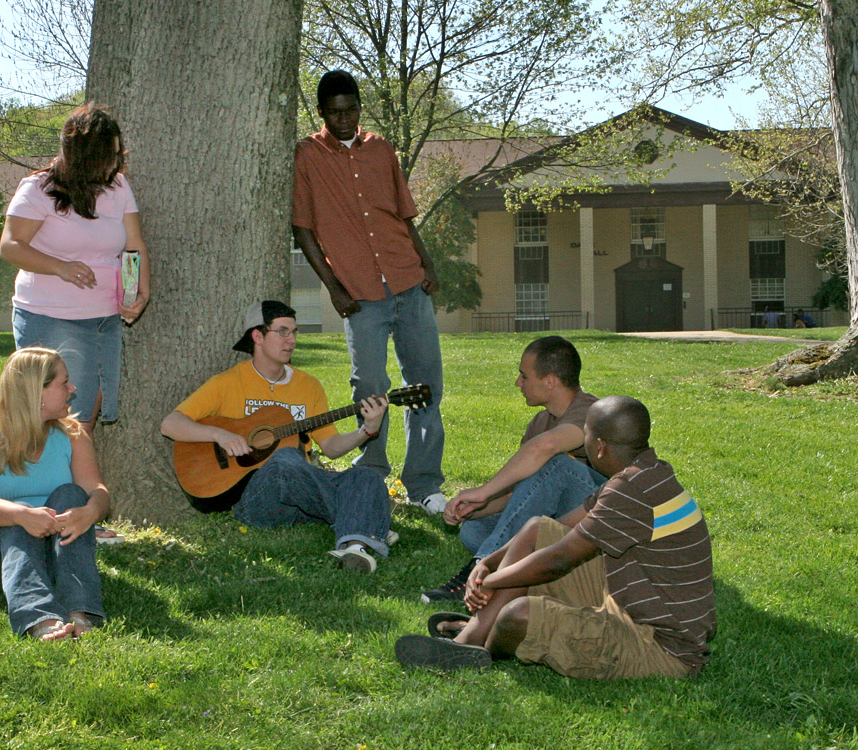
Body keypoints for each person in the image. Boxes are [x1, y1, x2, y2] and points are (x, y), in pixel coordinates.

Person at [395, 396, 716, 677]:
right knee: (537, 528)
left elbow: (558, 560)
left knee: (517, 614)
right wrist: (487, 565)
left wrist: (492, 582)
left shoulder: (631, 491)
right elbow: (557, 531)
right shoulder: (644, 472)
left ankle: (477, 646)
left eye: (586, 435)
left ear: (600, 446)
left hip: (658, 646)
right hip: (626, 599)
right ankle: (473, 636)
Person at [291, 69, 447, 516]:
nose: (344, 119)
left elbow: (404, 214)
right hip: (359, 293)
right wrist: (335, 289)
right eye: (335, 112)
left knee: (426, 385)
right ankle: (372, 472)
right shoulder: (307, 155)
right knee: (371, 384)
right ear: (322, 113)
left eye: (351, 110)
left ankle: (423, 484)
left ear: (359, 108)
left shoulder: (381, 148)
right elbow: (303, 230)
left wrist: (428, 265)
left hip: (407, 280)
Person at [161, 300, 394, 572]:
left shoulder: (308, 386)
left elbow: (330, 447)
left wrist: (367, 429)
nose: (292, 340)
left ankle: (355, 548)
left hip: (304, 501)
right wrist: (219, 435)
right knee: (285, 459)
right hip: (258, 501)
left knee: (366, 475)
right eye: (283, 331)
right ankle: (364, 515)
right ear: (257, 336)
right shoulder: (227, 383)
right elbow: (170, 424)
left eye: (294, 332)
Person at [0, 102, 150, 436]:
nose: (113, 164)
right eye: (106, 156)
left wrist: (141, 291)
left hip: (103, 320)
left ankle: (73, 485)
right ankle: (41, 483)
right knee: (52, 415)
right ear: (80, 155)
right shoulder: (38, 189)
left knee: (84, 420)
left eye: (116, 154)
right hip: (50, 318)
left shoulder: (119, 187)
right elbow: (10, 245)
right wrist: (60, 267)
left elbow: (135, 244)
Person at [420, 336, 604, 603]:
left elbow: (547, 446)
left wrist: (484, 491)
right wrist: (477, 507)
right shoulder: (540, 421)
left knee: (558, 463)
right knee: (473, 530)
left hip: (597, 512)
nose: (518, 383)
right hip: (556, 516)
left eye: (524, 376)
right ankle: (528, 565)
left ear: (550, 382)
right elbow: (527, 489)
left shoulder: (591, 410)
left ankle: (480, 570)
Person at [0, 347, 109, 641]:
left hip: (50, 550)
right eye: (64, 383)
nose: (72, 389)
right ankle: (40, 618)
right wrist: (21, 514)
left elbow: (97, 491)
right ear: (37, 391)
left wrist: (90, 512)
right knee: (16, 513)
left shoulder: (73, 435)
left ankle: (80, 610)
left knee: (72, 494)